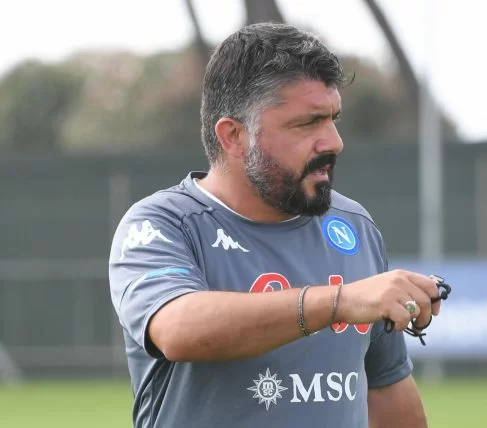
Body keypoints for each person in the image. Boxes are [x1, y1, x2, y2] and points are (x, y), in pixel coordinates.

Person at [109, 22, 445, 428]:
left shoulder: (353, 226)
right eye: (308, 123)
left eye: (333, 119)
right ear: (234, 136)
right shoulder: (161, 224)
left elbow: (387, 387)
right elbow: (178, 328)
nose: (334, 141)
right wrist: (338, 302)